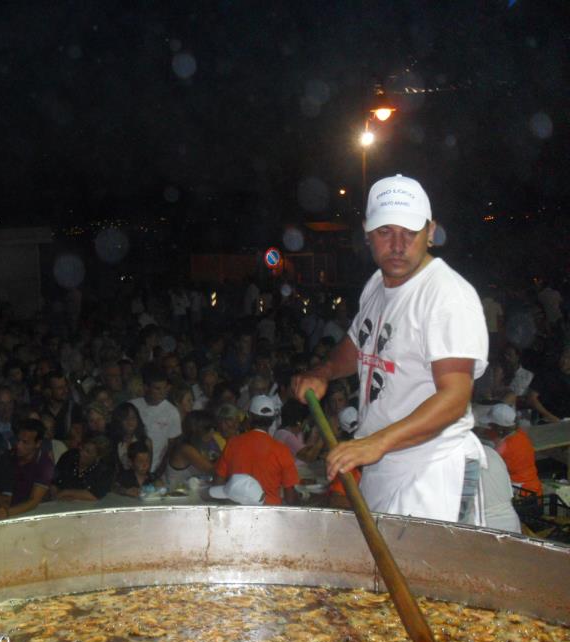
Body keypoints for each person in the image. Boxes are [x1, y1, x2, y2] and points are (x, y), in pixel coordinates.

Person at [291, 175, 488, 522]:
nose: (397, 245)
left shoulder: (446, 295)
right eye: (385, 232)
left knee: (422, 576)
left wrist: (377, 442)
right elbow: (358, 344)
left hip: (431, 468)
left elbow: (455, 398)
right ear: (367, 232)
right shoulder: (377, 285)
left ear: (431, 231)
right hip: (382, 463)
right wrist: (324, 372)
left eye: (409, 232)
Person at [213, 395, 300, 506]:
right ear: (273, 420)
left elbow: (217, 484)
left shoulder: (233, 443)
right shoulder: (282, 450)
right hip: (269, 514)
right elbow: (290, 499)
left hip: (238, 513)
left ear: (249, 416)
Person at [130, 364, 182, 474]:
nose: (162, 392)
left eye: (164, 388)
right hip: (131, 468)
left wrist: (160, 470)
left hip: (157, 469)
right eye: (157, 388)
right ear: (146, 388)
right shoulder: (132, 407)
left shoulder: (172, 412)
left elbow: (171, 445)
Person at [485, 403, 542, 496]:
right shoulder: (519, 434)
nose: (489, 427)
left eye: (492, 425)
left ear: (499, 427)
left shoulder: (507, 448)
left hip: (522, 493)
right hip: (533, 487)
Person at [52, 434, 113, 501]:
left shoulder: (104, 470)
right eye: (82, 448)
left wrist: (66, 492)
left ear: (97, 457)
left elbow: (94, 496)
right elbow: (53, 482)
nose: (82, 452)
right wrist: (55, 498)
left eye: (88, 452)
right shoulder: (69, 456)